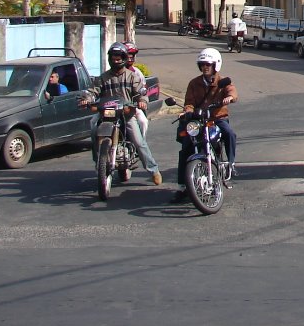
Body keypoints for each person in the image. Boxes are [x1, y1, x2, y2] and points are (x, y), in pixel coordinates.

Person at [80, 42, 162, 186]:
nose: (116, 60)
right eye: (113, 57)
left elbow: (141, 92)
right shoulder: (103, 77)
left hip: (126, 114)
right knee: (93, 128)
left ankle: (153, 170)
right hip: (106, 114)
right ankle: (98, 162)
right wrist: (86, 99)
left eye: (118, 58)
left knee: (139, 142)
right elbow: (93, 91)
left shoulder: (132, 77)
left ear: (124, 58)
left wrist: (142, 101)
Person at [170, 47, 238, 204]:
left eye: (208, 64)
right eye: (202, 64)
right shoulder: (194, 83)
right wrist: (187, 111)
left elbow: (232, 91)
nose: (205, 67)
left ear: (215, 65)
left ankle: (231, 164)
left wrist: (229, 97)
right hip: (199, 120)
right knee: (186, 145)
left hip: (217, 118)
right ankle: (182, 186)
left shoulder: (222, 81)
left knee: (229, 133)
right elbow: (189, 103)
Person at [123, 41, 150, 135]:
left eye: (132, 56)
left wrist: (142, 101)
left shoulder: (137, 73)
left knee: (143, 122)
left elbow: (143, 90)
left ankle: (141, 145)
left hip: (131, 107)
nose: (130, 58)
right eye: (127, 55)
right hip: (113, 108)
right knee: (94, 123)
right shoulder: (109, 73)